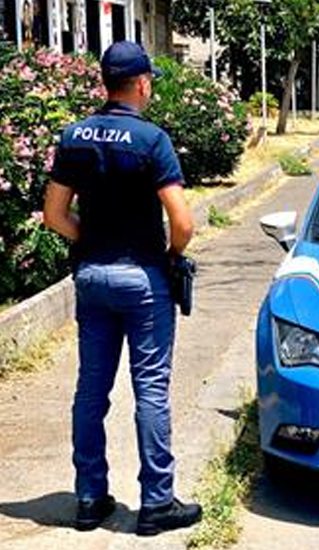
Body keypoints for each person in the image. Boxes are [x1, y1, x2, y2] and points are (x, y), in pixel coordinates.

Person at [42, 41, 202, 536]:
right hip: (142, 278)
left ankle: (90, 498)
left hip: (92, 277)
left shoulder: (75, 136)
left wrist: (87, 240)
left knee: (91, 389)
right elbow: (183, 221)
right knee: (150, 389)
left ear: (106, 83)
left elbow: (53, 215)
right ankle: (156, 504)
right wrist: (171, 257)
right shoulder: (152, 140)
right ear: (141, 83)